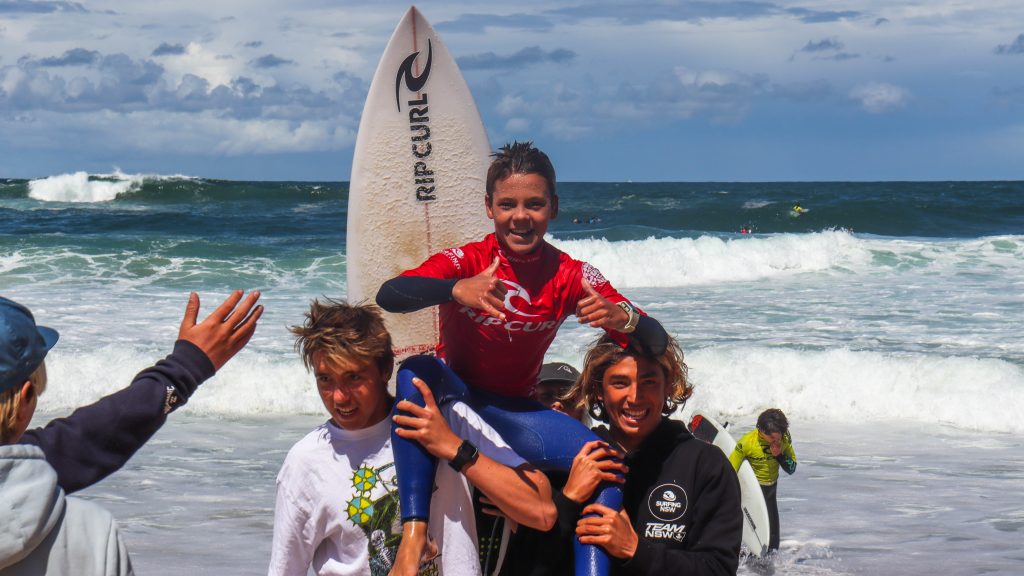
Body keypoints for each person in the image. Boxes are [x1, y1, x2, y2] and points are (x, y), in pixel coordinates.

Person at [376, 141, 669, 576]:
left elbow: (656, 341)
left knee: (605, 461)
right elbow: (390, 294)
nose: (520, 216)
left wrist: (621, 317)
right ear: (489, 208)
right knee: (415, 371)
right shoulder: (468, 261)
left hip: (515, 411)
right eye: (507, 204)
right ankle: (414, 535)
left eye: (534, 204)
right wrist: (455, 289)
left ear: (553, 207)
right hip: (456, 396)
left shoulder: (571, 275)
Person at [268, 299, 556, 576]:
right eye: (325, 379)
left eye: (354, 377)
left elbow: (541, 511)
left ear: (385, 369)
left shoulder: (442, 418)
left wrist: (453, 447)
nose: (340, 397)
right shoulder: (305, 462)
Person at [1, 291, 263, 575]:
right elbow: (78, 443)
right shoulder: (91, 534)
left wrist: (183, 369)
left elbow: (75, 442)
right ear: (25, 399)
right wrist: (186, 368)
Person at [559, 333, 742, 575]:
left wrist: (634, 549)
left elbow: (718, 569)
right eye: (620, 383)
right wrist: (567, 503)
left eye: (649, 382)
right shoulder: (573, 459)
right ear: (599, 390)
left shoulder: (705, 465)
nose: (635, 397)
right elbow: (531, 562)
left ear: (668, 385)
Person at [728, 408, 796, 553]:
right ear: (761, 431)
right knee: (749, 531)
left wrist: (779, 455)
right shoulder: (747, 442)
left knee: (773, 544)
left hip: (771, 490)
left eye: (779, 437)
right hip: (752, 490)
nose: (777, 441)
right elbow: (730, 470)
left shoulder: (784, 438)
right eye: (773, 439)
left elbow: (792, 469)